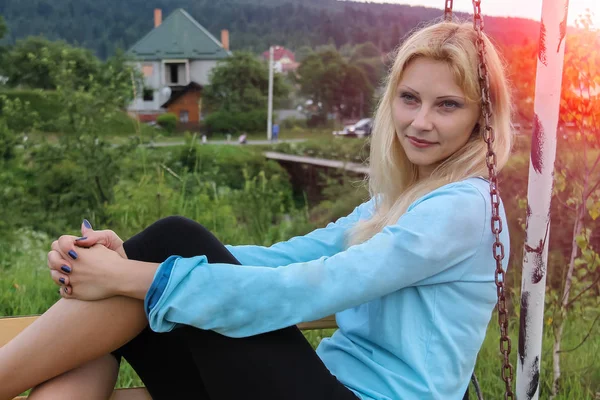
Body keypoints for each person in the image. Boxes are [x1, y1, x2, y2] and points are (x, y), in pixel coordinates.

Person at [0, 19, 513, 400]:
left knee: (167, 248)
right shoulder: (398, 202)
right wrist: (126, 264)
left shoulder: (465, 207)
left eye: (447, 105)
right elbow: (285, 259)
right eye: (409, 99)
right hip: (322, 386)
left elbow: (320, 284)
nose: (420, 121)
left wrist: (137, 274)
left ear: (481, 118)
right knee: (147, 272)